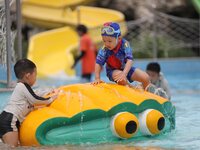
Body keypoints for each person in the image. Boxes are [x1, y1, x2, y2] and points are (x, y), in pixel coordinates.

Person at [0, 59, 59, 147]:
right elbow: (35, 99)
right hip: (9, 121)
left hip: (6, 118)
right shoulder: (22, 87)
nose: (36, 78)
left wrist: (50, 91)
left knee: (8, 146)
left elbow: (36, 93)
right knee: (12, 147)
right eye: (35, 75)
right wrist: (51, 99)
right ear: (28, 76)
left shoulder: (22, 87)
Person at [92, 22, 150, 90]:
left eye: (109, 41)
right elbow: (98, 63)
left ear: (119, 38)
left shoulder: (125, 44)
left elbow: (129, 60)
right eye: (104, 41)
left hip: (126, 69)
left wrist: (124, 73)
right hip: (113, 71)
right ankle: (132, 89)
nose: (106, 44)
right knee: (121, 79)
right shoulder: (104, 49)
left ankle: (146, 93)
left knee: (146, 77)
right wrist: (97, 78)